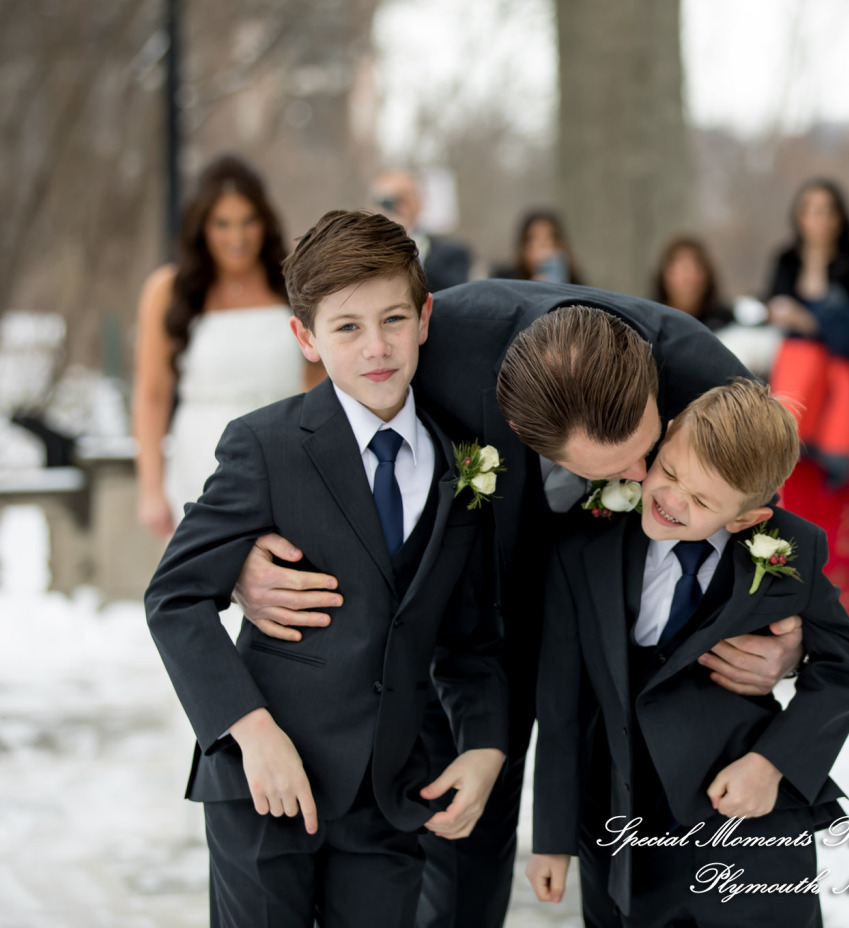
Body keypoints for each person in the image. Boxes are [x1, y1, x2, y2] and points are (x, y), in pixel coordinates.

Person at [231, 279, 810, 928]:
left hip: (603, 645)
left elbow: (766, 532)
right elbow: (315, 443)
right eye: (618, 468)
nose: (644, 477)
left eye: (650, 452)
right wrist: (246, 551)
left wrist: (787, 640)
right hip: (460, 626)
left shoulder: (711, 383)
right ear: (526, 439)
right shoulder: (431, 346)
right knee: (455, 851)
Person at [144, 210, 508, 927]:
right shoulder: (265, 444)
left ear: (426, 317)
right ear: (305, 336)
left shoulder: (462, 461)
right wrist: (251, 732)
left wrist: (487, 745)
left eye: (394, 319)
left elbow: (469, 637)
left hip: (388, 796)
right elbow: (175, 598)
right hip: (264, 785)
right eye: (346, 327)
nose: (376, 347)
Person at [527, 378, 849, 927]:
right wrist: (551, 837)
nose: (671, 500)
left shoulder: (792, 549)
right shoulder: (585, 544)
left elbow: (846, 669)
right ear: (661, 442)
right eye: (669, 472)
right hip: (624, 824)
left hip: (750, 825)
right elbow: (563, 701)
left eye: (702, 500)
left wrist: (771, 764)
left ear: (746, 518)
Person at [132, 154, 316, 537]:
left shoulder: (296, 285)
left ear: (265, 222)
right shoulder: (168, 291)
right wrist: (151, 489)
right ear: (202, 227)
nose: (237, 237)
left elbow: (319, 382)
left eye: (248, 221)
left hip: (286, 461)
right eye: (222, 224)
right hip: (199, 465)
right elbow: (151, 394)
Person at [765, 178, 849, 634]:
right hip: (794, 405)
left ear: (841, 216)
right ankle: (790, 613)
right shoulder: (786, 261)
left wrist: (808, 317)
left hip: (837, 410)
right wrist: (817, 316)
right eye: (810, 209)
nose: (818, 218)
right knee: (790, 504)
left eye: (827, 209)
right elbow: (775, 324)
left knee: (839, 512)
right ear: (798, 216)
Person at [370, 169, 472, 292]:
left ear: (419, 203)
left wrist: (403, 240)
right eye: (386, 202)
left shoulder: (453, 254)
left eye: (402, 200)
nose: (394, 208)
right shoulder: (364, 251)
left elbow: (454, 294)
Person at [651, 235, 734, 332]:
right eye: (681, 271)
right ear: (665, 275)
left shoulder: (724, 321)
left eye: (695, 272)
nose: (688, 279)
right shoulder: (648, 319)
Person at [492, 209, 586, 284]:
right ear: (524, 247)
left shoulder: (574, 280)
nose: (543, 246)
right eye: (535, 239)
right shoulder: (505, 280)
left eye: (549, 238)